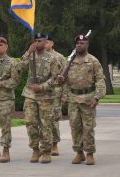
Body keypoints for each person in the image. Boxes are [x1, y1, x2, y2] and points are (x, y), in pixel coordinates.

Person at [58, 35, 106, 165]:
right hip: (73, 100)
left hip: (88, 99)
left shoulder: (93, 61)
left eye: (82, 43)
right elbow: (65, 82)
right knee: (74, 128)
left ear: (87, 45)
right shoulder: (69, 62)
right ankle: (79, 153)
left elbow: (100, 80)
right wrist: (63, 89)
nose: (79, 45)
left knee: (88, 128)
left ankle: (90, 154)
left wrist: (96, 97)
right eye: (77, 43)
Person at [17, 32, 62, 163]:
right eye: (35, 41)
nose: (37, 43)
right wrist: (27, 52)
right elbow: (19, 68)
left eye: (40, 41)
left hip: (46, 96)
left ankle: (46, 150)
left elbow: (56, 79)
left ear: (45, 42)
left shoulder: (53, 59)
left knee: (46, 124)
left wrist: (42, 87)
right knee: (31, 124)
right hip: (30, 95)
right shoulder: (30, 56)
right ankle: (35, 150)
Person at [44, 34, 66, 156]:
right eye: (43, 42)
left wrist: (64, 94)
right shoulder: (39, 56)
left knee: (53, 119)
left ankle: (54, 145)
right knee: (42, 120)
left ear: (52, 43)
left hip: (55, 92)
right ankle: (44, 144)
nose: (45, 44)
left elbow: (65, 77)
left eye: (47, 42)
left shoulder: (59, 57)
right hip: (42, 92)